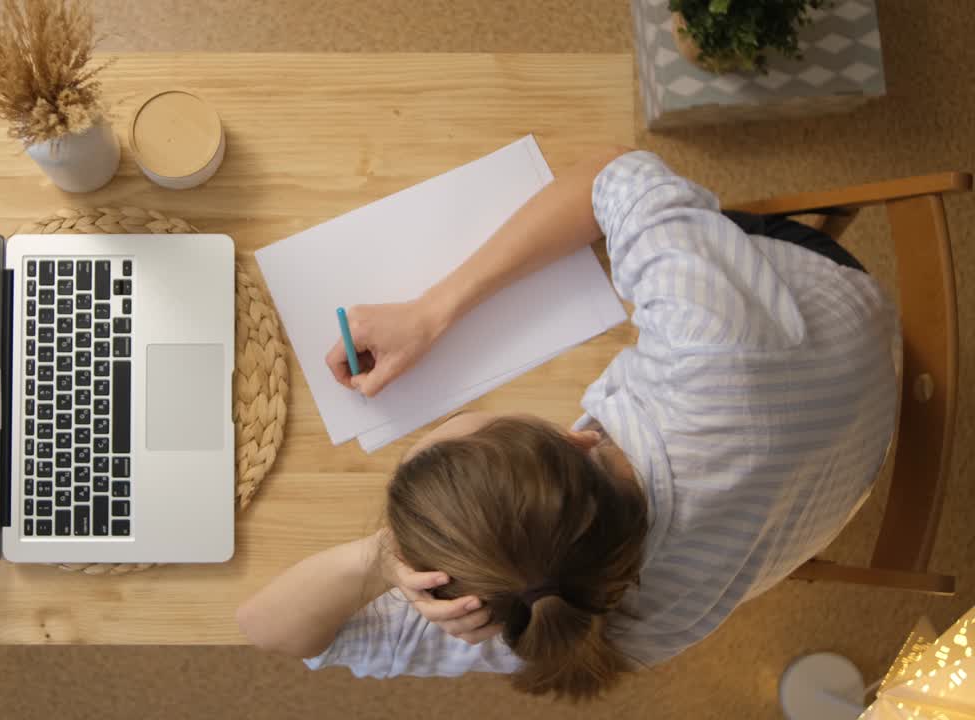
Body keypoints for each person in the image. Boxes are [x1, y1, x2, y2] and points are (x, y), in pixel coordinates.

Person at [235, 146, 899, 700]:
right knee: (677, 229)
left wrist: (381, 555)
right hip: (843, 358)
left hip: (839, 456)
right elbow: (614, 172)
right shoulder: (708, 340)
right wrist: (434, 310)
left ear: (586, 432)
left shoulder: (543, 615)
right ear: (577, 437)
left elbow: (266, 628)